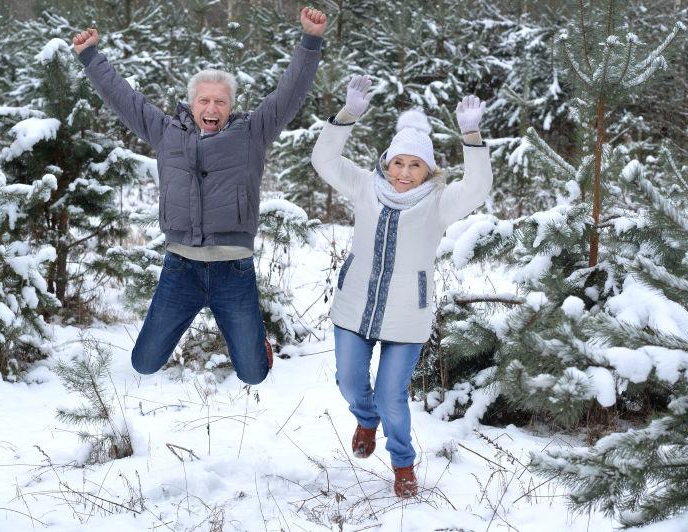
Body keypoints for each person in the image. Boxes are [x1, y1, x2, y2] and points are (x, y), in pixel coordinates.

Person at [72, 8, 327, 385]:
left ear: (231, 106)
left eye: (220, 101)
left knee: (254, 374)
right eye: (204, 100)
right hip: (181, 268)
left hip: (233, 270)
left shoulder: (252, 133)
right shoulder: (165, 132)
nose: (212, 108)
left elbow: (289, 94)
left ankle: (261, 349)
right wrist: (91, 57)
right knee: (143, 363)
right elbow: (123, 99)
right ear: (191, 104)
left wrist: (311, 41)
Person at [311, 75, 493, 497]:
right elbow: (324, 161)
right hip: (355, 306)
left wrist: (471, 135)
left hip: (407, 315)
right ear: (386, 163)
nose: (405, 173)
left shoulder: (439, 201)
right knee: (350, 383)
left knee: (393, 396)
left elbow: (479, 186)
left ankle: (402, 464)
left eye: (415, 165)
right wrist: (347, 116)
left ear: (429, 170)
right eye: (398, 163)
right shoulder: (364, 187)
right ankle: (364, 418)